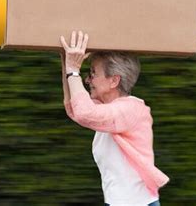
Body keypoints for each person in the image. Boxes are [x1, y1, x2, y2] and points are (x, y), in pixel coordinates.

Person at [60, 31, 169, 206]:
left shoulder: (131, 110)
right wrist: (67, 65)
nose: (88, 80)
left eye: (93, 73)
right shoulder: (107, 110)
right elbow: (74, 108)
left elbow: (84, 112)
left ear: (114, 81)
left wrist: (73, 71)